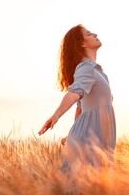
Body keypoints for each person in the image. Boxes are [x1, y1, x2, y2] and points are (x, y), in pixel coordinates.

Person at [38, 24, 116, 168]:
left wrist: (72, 135)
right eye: (89, 33)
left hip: (98, 137)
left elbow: (80, 109)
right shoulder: (86, 68)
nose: (95, 34)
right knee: (82, 183)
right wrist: (56, 115)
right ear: (82, 43)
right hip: (91, 140)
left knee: (94, 184)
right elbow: (74, 94)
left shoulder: (98, 72)